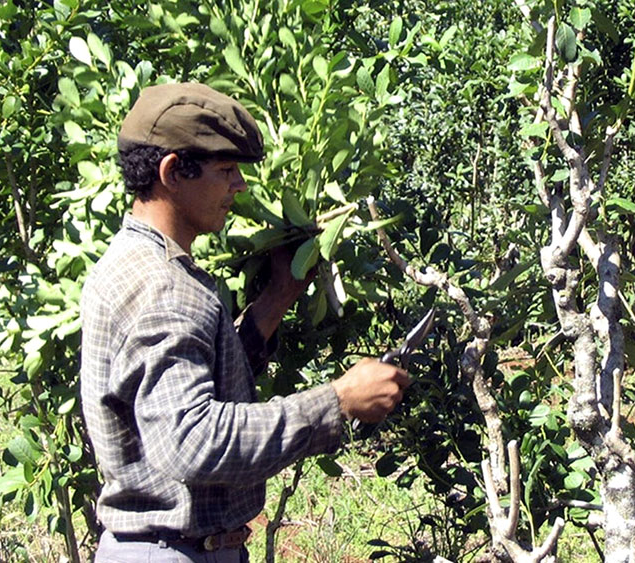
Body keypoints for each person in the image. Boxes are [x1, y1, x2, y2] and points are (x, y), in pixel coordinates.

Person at [80, 82, 410, 562]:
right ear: (173, 172)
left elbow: (188, 385)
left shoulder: (130, 262)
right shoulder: (164, 288)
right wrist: (337, 401)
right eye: (226, 170)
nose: (240, 186)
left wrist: (277, 298)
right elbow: (192, 441)